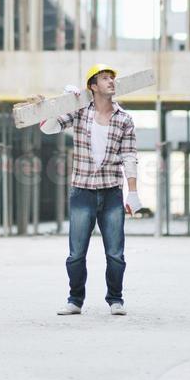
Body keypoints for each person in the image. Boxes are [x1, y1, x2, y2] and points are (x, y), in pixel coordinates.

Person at [39, 63, 142, 316]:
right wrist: (63, 103)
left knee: (115, 254)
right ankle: (75, 300)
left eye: (112, 78)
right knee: (76, 254)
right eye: (105, 78)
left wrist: (133, 192)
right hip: (82, 191)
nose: (111, 82)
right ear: (93, 86)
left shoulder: (124, 119)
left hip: (111, 192)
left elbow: (129, 156)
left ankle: (115, 299)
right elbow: (48, 127)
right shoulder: (80, 113)